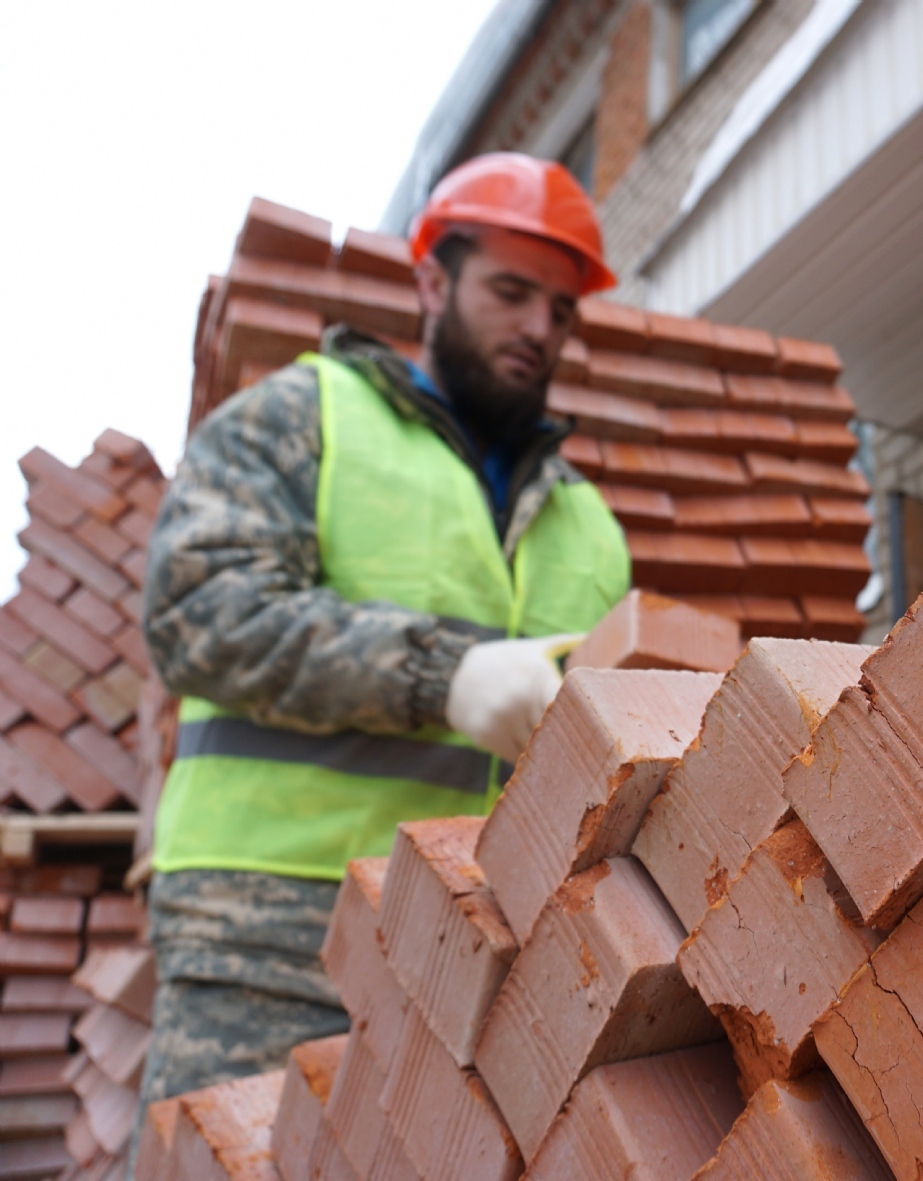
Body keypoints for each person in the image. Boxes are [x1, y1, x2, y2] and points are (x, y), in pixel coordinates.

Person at [136, 154, 631, 1114]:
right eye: (512, 291)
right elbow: (198, 610)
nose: (540, 327)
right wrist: (442, 675)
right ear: (433, 282)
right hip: (272, 937)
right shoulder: (307, 413)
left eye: (562, 310)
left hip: (478, 959)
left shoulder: (589, 523)